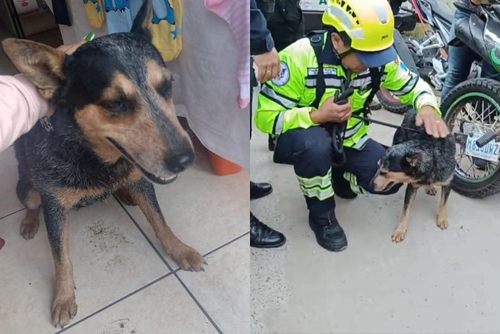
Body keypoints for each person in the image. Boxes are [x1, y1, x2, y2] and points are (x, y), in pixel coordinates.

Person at [255, 0, 449, 252]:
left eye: (378, 55)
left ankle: (340, 176)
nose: (373, 62)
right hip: (307, 139)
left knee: (393, 178)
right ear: (337, 41)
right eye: (366, 55)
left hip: (350, 139)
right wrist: (315, 116)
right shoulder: (299, 56)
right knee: (314, 147)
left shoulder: (379, 58)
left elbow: (414, 85)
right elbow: (265, 117)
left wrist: (426, 106)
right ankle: (322, 217)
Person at [250, 0, 286, 248]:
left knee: (241, 124)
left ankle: (241, 183)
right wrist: (259, 39)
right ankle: (241, 217)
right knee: (231, 128)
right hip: (235, 25)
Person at [442, 0, 500, 100]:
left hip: (496, 23)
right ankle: (443, 114)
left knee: (491, 83)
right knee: (456, 75)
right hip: (469, 13)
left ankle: (482, 115)